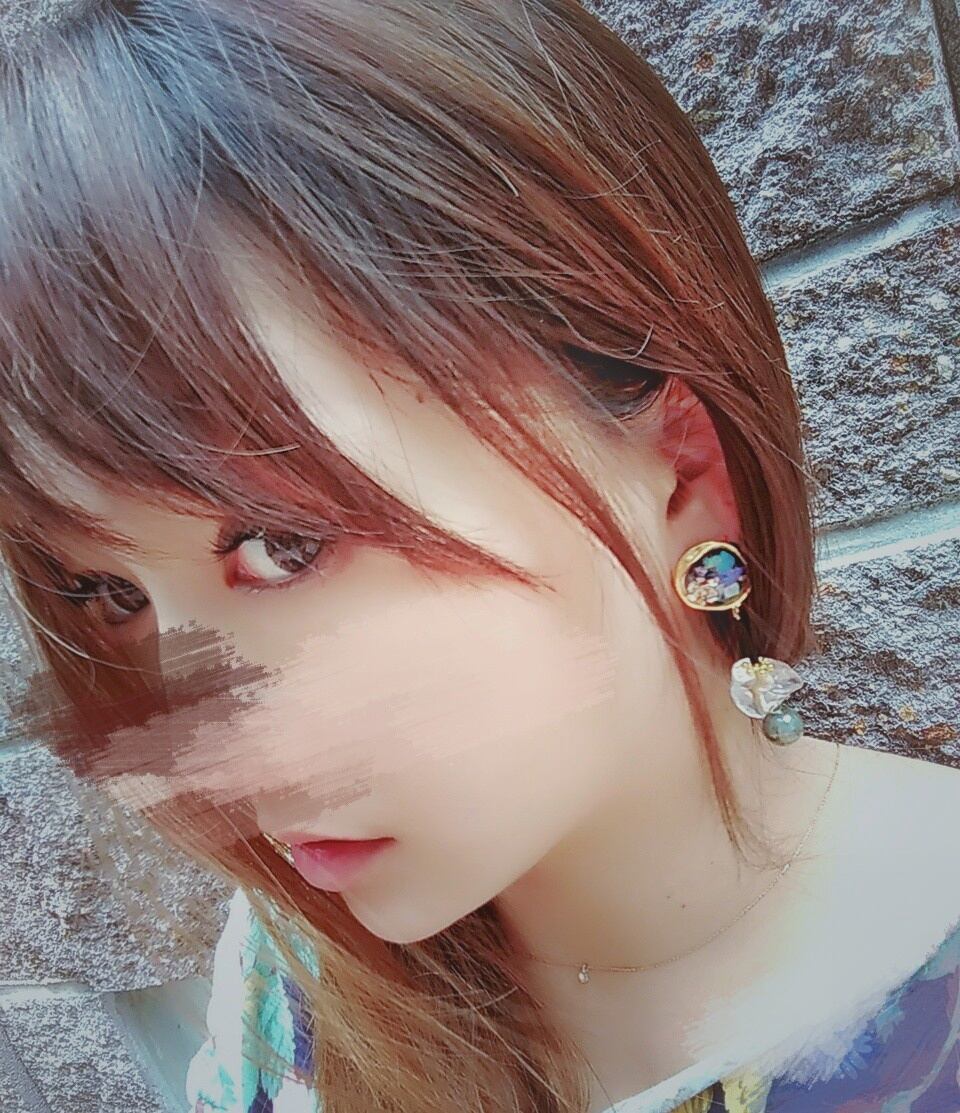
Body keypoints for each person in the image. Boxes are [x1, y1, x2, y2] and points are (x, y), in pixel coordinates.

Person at [0, 2, 957, 1112]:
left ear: (677, 469)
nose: (192, 749)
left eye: (283, 543)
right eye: (107, 592)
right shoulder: (293, 980)